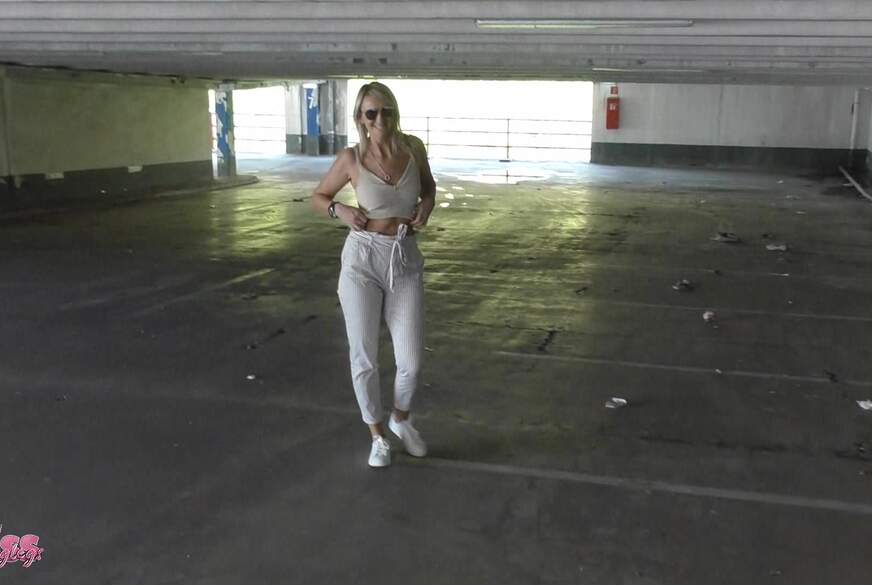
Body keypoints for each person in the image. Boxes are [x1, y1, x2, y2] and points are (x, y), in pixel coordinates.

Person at [311, 82, 436, 468]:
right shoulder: (351, 158)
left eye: (387, 111)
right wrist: (340, 211)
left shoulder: (413, 149)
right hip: (362, 260)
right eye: (372, 113)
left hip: (404, 257)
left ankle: (401, 419)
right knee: (364, 356)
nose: (381, 118)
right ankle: (377, 435)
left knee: (411, 362)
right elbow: (319, 197)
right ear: (360, 119)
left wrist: (427, 207)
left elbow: (429, 188)